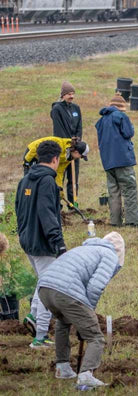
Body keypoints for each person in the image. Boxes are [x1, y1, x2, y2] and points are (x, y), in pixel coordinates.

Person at [38, 232, 125, 387]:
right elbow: (95, 287)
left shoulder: (83, 249)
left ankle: (62, 367)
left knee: (63, 322)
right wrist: (88, 313)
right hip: (64, 291)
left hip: (44, 288)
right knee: (95, 337)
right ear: (119, 252)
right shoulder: (110, 255)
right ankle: (86, 375)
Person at [15, 140, 67, 348]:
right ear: (55, 159)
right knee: (48, 287)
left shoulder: (25, 179)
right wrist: (59, 244)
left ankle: (34, 317)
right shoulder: (47, 182)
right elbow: (48, 215)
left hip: (27, 240)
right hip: (43, 244)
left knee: (42, 282)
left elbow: (18, 209)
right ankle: (41, 337)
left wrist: (24, 234)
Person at [95, 93, 138, 228]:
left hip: (108, 162)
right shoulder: (121, 116)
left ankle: (115, 221)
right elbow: (129, 133)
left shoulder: (101, 121)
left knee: (114, 192)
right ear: (120, 108)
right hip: (123, 160)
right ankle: (132, 221)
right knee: (129, 189)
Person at [23, 136, 89, 197]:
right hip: (32, 153)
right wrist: (27, 161)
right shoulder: (59, 144)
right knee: (29, 181)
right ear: (76, 152)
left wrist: (59, 188)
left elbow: (59, 171)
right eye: (81, 156)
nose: (80, 158)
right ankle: (26, 200)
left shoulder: (68, 158)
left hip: (42, 160)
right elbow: (37, 146)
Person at [51, 81, 83, 205]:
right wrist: (68, 145)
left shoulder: (76, 108)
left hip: (75, 149)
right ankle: (57, 203)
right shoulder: (57, 109)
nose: (71, 96)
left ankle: (73, 202)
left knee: (74, 178)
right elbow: (59, 130)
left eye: (73, 93)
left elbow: (79, 127)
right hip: (63, 149)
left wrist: (77, 144)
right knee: (60, 176)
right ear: (63, 95)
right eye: (69, 94)